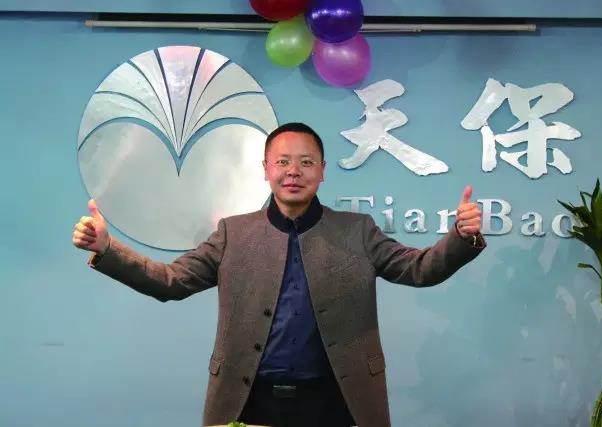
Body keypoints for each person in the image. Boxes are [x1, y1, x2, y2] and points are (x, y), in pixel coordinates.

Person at [72, 122, 485, 427]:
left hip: (337, 401)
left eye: (306, 162)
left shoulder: (357, 231)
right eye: (283, 162)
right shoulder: (233, 233)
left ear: (322, 170)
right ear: (266, 169)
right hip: (250, 400)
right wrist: (108, 250)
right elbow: (171, 281)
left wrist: (460, 237)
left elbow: (420, 269)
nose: (294, 171)